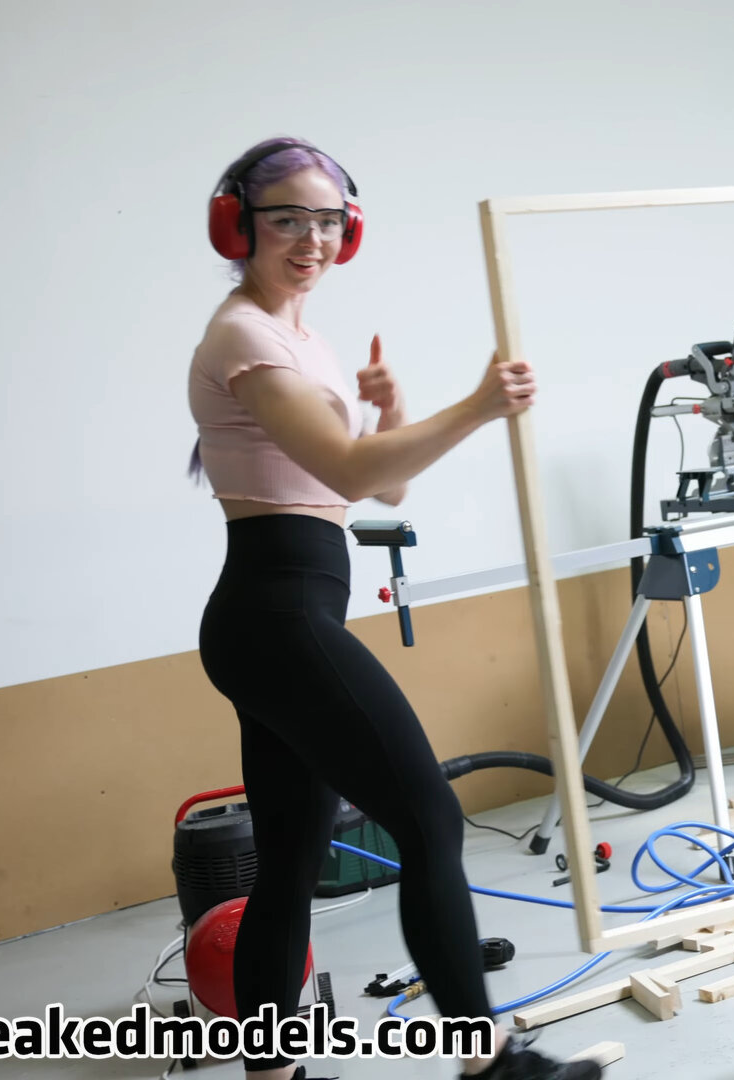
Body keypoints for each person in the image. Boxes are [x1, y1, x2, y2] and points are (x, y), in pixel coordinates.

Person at [187, 137, 601, 1080]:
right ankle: (491, 1066)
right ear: (237, 226)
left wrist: (390, 414)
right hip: (277, 612)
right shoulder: (245, 336)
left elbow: (381, 486)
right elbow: (344, 472)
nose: (313, 239)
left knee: (290, 861)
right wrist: (476, 406)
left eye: (329, 220)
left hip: (280, 615)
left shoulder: (303, 340)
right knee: (429, 821)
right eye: (287, 218)